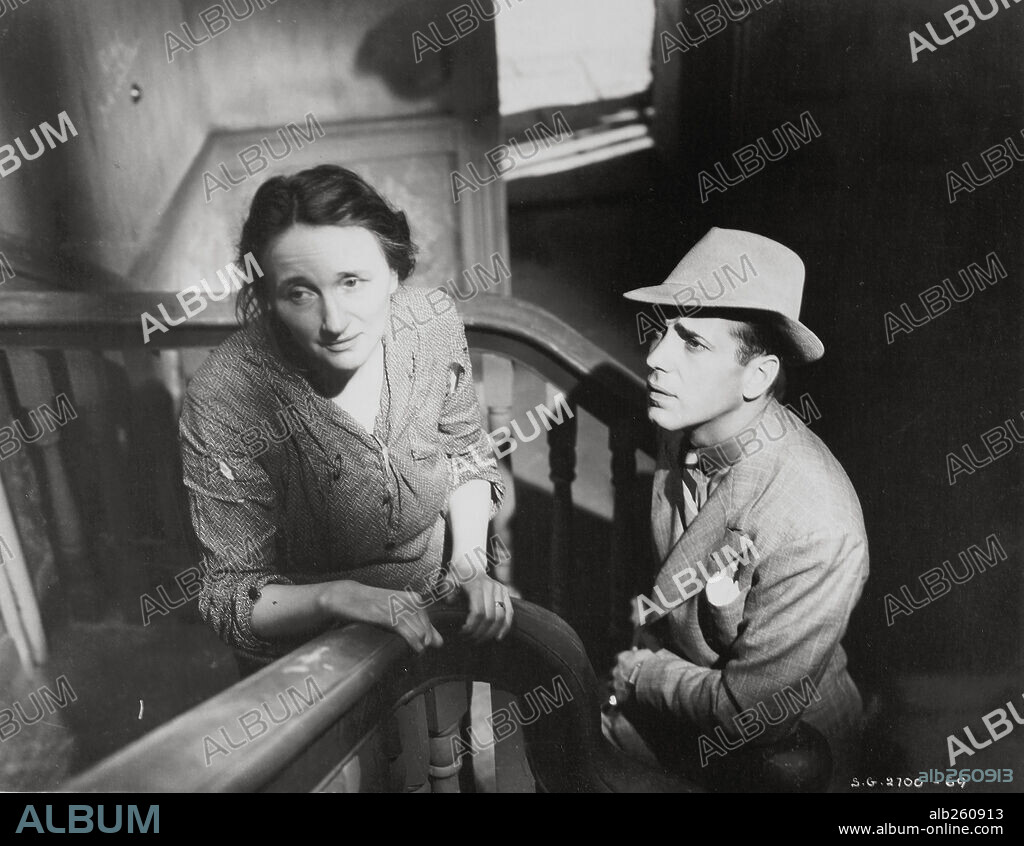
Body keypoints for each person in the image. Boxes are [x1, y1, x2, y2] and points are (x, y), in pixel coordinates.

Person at [179, 164, 512, 675]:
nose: (334, 323)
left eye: (352, 282)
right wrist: (336, 598)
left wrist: (469, 565)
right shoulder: (224, 396)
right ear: (267, 297)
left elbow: (465, 455)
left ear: (395, 272)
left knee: (444, 750)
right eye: (299, 293)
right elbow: (230, 596)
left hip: (438, 613)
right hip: (311, 657)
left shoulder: (432, 325)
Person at [605, 227, 869, 791]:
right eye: (662, 331)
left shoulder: (816, 524)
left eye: (693, 343)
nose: (654, 357)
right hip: (693, 712)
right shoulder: (687, 420)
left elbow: (754, 716)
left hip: (792, 761)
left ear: (758, 375)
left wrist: (644, 675)